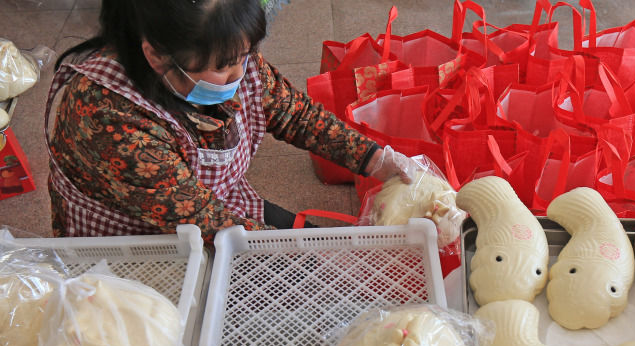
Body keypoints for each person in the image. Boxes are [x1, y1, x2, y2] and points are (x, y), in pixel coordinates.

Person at [46, 0, 413, 241]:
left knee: (317, 250)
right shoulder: (108, 119)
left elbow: (293, 113)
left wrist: (373, 158)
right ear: (157, 58)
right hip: (137, 237)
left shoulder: (227, 50)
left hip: (211, 204)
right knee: (301, 269)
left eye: (246, 54)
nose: (241, 72)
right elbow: (205, 222)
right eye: (223, 66)